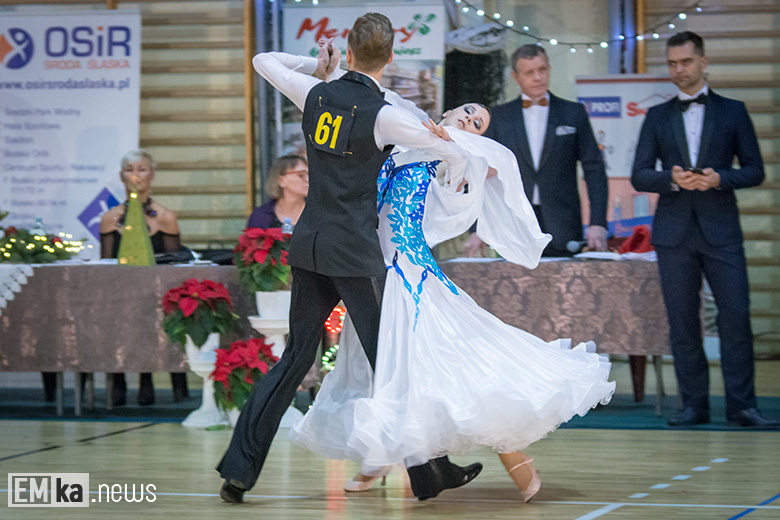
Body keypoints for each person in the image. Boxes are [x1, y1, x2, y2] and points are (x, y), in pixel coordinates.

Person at [289, 98, 616, 503]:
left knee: (447, 365)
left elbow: (482, 173)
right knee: (374, 368)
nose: (468, 118)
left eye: (478, 122)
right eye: (466, 111)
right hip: (370, 273)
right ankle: (377, 458)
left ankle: (516, 459)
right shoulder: (402, 142)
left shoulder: (457, 158)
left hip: (412, 276)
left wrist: (460, 152)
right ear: (446, 111)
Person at [216, 13, 482, 504]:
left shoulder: (315, 94)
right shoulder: (388, 115)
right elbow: (447, 146)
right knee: (394, 364)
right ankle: (429, 472)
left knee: (295, 359)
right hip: (355, 254)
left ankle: (238, 471)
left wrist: (319, 68)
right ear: (391, 56)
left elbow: (262, 60)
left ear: (349, 51)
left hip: (310, 245)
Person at [631, 31, 777, 429]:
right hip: (674, 232)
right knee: (682, 324)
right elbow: (640, 175)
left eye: (686, 62)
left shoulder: (734, 111)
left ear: (703, 62)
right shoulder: (657, 116)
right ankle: (693, 405)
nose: (679, 70)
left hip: (721, 230)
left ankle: (743, 406)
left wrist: (719, 178)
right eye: (673, 63)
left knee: (736, 318)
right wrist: (673, 179)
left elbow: (755, 170)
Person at [476, 44, 608, 257]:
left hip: (564, 224)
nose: (538, 77)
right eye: (530, 72)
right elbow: (481, 175)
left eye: (542, 70)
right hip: (513, 225)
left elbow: (595, 171)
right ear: (516, 77)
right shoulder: (499, 118)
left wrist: (598, 223)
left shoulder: (573, 113)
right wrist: (478, 228)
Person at [100, 149, 188, 406]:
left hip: (156, 295)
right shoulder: (110, 218)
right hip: (119, 294)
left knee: (149, 315)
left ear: (152, 174)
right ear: (121, 175)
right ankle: (117, 381)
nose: (136, 175)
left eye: (142, 169)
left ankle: (146, 378)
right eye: (130, 169)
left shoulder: (165, 216)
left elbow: (175, 264)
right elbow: (106, 264)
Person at [247, 155, 308, 229]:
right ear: (281, 180)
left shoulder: (319, 212)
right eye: (301, 175)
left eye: (309, 175)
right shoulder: (261, 216)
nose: (308, 179)